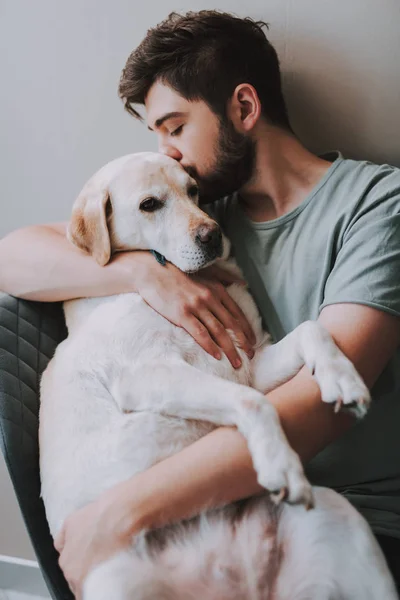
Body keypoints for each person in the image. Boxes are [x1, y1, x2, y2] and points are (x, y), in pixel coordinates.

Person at [1, 10, 400, 595]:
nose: (170, 155)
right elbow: (12, 257)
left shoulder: (376, 204)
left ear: (243, 108)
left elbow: (324, 406)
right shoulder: (192, 225)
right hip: (214, 514)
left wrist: (124, 511)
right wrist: (142, 274)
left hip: (346, 513)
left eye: (175, 128)